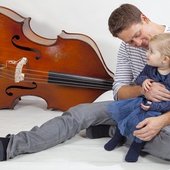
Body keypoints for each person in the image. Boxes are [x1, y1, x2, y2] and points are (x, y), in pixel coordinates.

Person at [0, 3, 170, 161]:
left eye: (138, 35)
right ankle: (10, 145)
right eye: (130, 41)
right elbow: (119, 91)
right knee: (78, 114)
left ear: (144, 18)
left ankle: (114, 131)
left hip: (165, 114)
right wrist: (142, 91)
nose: (138, 44)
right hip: (133, 106)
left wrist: (161, 121)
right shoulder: (126, 49)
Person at [104, 33, 170, 162]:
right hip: (142, 100)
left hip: (157, 109)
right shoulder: (150, 67)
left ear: (165, 59)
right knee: (125, 114)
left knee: (141, 124)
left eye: (151, 52)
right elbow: (140, 77)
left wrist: (154, 106)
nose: (146, 54)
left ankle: (135, 147)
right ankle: (117, 136)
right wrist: (144, 81)